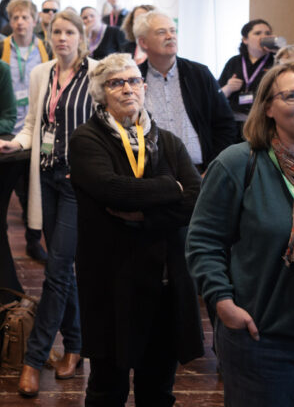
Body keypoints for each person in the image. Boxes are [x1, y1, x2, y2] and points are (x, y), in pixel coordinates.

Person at [68, 53, 203, 407]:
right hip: (113, 281)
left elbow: (193, 198)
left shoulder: (168, 141)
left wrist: (145, 216)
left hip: (164, 282)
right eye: (116, 83)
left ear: (144, 87)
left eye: (133, 81)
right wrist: (169, 189)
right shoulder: (87, 140)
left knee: (158, 389)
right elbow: (112, 190)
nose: (127, 88)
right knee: (107, 388)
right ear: (101, 94)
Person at [187, 62, 294, 407]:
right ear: (267, 107)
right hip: (261, 340)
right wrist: (223, 304)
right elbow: (203, 241)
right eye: (293, 95)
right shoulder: (239, 163)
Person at [0, 10, 93, 396]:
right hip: (45, 177)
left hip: (77, 183)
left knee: (57, 268)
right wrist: (12, 143)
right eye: (57, 32)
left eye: (69, 32)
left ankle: (34, 358)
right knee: (62, 268)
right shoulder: (41, 74)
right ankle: (78, 345)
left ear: (82, 36)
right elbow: (33, 124)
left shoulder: (96, 75)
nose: (62, 38)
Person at [0, 0, 53, 260]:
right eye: (14, 17)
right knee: (2, 186)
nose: (19, 22)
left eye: (25, 17)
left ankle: (33, 240)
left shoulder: (46, 48)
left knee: (35, 187)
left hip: (40, 128)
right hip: (7, 127)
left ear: (35, 20)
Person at [135, 10, 239, 171]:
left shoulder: (199, 74)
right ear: (143, 43)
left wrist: (213, 168)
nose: (170, 36)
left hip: (201, 171)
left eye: (172, 30)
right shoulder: (135, 78)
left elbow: (224, 125)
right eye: (161, 32)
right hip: (151, 174)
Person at [218, 19, 276, 120]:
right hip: (235, 120)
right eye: (257, 33)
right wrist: (228, 88)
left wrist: (279, 51)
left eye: (268, 33)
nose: (264, 37)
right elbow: (216, 95)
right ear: (245, 39)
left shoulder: (276, 60)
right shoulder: (234, 61)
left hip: (264, 119)